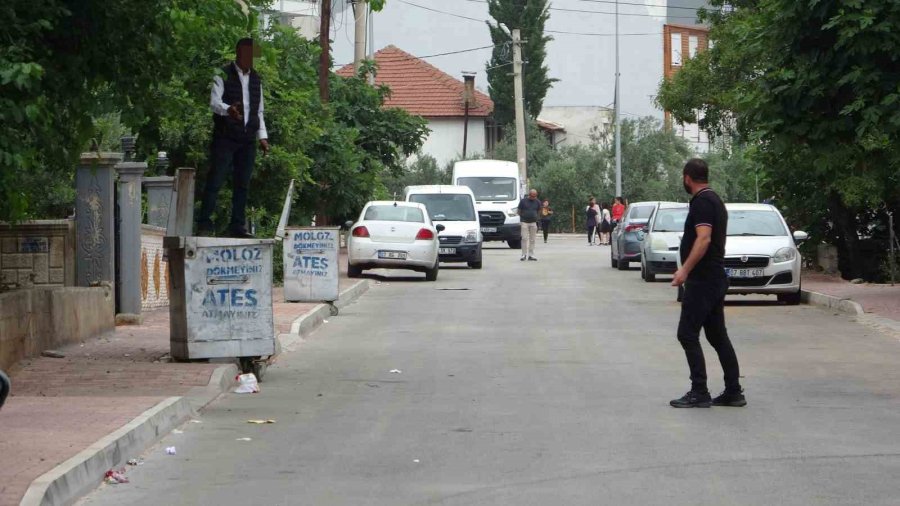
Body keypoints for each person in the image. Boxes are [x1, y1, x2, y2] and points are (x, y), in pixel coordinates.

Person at [670, 158, 745, 409]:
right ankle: (733, 391)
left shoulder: (702, 202)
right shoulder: (715, 200)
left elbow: (703, 239)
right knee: (717, 335)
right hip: (714, 277)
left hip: (703, 279)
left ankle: (699, 390)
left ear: (687, 177)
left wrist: (684, 271)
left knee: (687, 333)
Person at [198, 38, 271, 238]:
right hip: (225, 136)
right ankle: (204, 223)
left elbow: (259, 111)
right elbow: (214, 102)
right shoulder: (222, 74)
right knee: (216, 179)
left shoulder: (256, 79)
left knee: (242, 183)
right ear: (238, 53)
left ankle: (237, 225)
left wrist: (262, 137)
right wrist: (227, 109)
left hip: (247, 138)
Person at [517, 189, 541, 261]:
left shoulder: (538, 202)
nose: (534, 197)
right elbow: (519, 211)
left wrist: (537, 218)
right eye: (532, 196)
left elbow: (539, 211)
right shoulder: (523, 201)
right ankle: (523, 255)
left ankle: (531, 255)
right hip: (524, 222)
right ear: (529, 195)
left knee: (532, 239)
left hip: (533, 222)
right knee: (524, 238)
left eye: (535, 196)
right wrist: (523, 216)